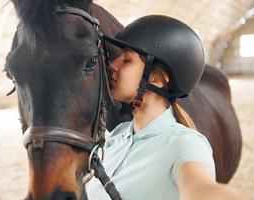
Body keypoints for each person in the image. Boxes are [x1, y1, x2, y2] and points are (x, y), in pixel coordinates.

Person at [86, 15, 242, 200]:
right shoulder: (117, 137)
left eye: (127, 60)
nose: (112, 65)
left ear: (157, 79)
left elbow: (201, 188)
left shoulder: (186, 145)